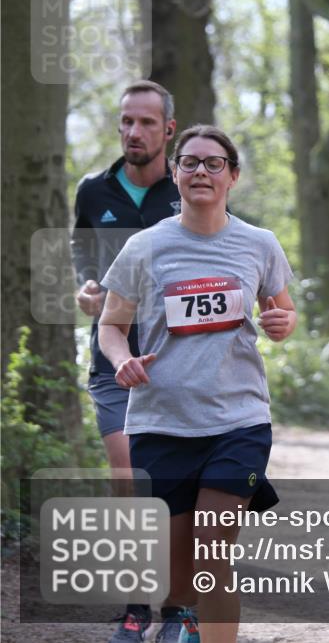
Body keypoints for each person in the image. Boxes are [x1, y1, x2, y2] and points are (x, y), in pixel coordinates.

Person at [98, 125, 296, 643]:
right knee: (177, 566)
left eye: (213, 164)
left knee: (213, 550)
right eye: (189, 162)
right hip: (161, 420)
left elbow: (284, 312)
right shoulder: (146, 247)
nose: (200, 172)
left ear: (233, 175)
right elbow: (110, 325)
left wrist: (282, 323)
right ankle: (177, 618)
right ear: (176, 173)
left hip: (239, 419)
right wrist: (121, 360)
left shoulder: (259, 244)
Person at [70, 79, 181, 643]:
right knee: (129, 475)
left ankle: (180, 604)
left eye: (144, 123)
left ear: (168, 130)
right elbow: (81, 255)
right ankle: (138, 605)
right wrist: (87, 292)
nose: (132, 132)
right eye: (125, 122)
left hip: (179, 359)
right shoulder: (93, 190)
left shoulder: (191, 187)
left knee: (174, 484)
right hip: (113, 357)